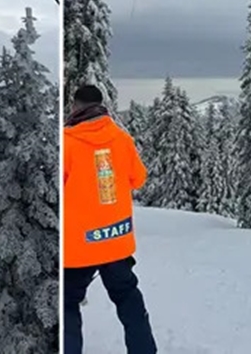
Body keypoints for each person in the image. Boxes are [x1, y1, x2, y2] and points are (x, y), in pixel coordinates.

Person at [63, 85, 157, 354]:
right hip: (116, 239)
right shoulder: (121, 138)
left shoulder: (67, 143)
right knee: (129, 299)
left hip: (79, 247)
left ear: (75, 106)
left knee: (67, 304)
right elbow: (138, 178)